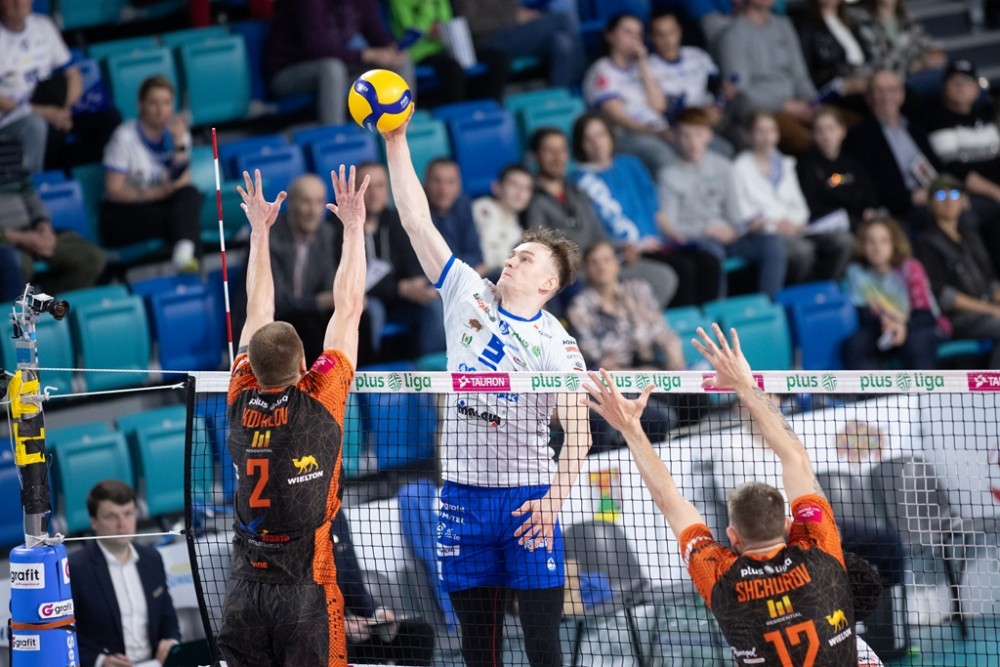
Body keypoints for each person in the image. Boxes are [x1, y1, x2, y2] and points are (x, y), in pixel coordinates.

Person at [382, 108, 592, 667]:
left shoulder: (558, 344)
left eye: (525, 259)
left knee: (544, 649)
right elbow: (416, 221)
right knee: (480, 651)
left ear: (547, 283)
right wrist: (396, 141)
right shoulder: (466, 292)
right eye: (514, 252)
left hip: (528, 499)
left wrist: (554, 501)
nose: (510, 259)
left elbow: (579, 434)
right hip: (462, 498)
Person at [582, 324, 859, 664]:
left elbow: (670, 501)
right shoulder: (819, 550)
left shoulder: (721, 577)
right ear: (788, 524)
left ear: (733, 537)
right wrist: (745, 383)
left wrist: (630, 429)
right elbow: (795, 457)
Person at [217, 165, 367, 666]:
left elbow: (257, 311)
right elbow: (348, 307)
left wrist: (259, 232)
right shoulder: (319, 397)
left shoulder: (239, 391)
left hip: (244, 592)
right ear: (305, 365)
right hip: (305, 591)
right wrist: (354, 227)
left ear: (250, 364)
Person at [571, 112, 721, 306]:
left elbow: (656, 211)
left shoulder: (632, 164)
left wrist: (676, 237)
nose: (597, 143)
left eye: (600, 135)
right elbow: (594, 229)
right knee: (683, 269)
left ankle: (708, 319)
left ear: (610, 136)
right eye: (589, 139)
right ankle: (685, 320)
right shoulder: (580, 181)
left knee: (709, 262)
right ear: (581, 145)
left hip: (656, 243)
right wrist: (623, 247)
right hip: (628, 251)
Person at [524, 126, 679, 311]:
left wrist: (621, 249)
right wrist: (575, 261)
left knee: (663, 277)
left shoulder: (577, 191)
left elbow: (599, 235)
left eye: (562, 150)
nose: (558, 157)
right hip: (575, 274)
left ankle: (628, 320)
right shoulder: (531, 199)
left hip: (602, 263)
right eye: (550, 151)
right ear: (535, 156)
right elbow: (540, 248)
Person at [566, 240, 694, 452]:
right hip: (616, 384)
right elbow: (599, 362)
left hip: (653, 368)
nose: (602, 266)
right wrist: (639, 372)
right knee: (661, 416)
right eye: (594, 262)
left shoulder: (639, 290)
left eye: (606, 260)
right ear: (586, 269)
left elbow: (661, 329)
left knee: (695, 396)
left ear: (617, 263)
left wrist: (674, 353)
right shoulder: (579, 308)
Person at [657, 108, 786, 297]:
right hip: (698, 239)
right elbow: (670, 226)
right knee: (712, 254)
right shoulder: (668, 175)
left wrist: (748, 225)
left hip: (729, 235)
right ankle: (719, 310)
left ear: (708, 135)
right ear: (676, 137)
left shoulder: (724, 166)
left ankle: (770, 304)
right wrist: (706, 230)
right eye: (685, 135)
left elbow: (734, 214)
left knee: (771, 243)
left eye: (698, 134)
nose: (692, 142)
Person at [68, 480, 181, 667]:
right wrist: (99, 661)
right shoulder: (75, 568)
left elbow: (167, 617)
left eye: (128, 514)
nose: (122, 524)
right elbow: (63, 635)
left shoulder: (152, 559)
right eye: (111, 516)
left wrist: (171, 641)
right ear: (94, 522)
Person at [732, 110, 853, 284]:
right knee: (803, 251)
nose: (767, 137)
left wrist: (794, 222)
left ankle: (826, 288)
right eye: (760, 131)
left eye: (771, 130)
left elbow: (800, 205)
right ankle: (802, 293)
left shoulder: (786, 163)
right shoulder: (739, 167)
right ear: (748, 135)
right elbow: (743, 211)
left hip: (796, 227)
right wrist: (775, 224)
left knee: (843, 241)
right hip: (767, 233)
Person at [270, 173, 377, 366]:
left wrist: (346, 297)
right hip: (278, 317)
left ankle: (360, 377)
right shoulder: (271, 237)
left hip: (310, 311)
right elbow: (277, 301)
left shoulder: (326, 234)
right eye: (306, 202)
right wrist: (320, 301)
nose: (313, 211)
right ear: (291, 203)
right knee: (306, 327)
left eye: (319, 202)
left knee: (359, 316)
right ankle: (317, 381)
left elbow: (329, 282)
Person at [100, 75, 203, 272]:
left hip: (161, 205)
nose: (161, 110)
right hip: (125, 213)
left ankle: (184, 256)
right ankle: (191, 268)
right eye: (154, 103)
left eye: (166, 103)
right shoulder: (124, 137)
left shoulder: (178, 133)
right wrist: (155, 193)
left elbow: (184, 179)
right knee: (185, 219)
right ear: (141, 104)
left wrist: (179, 144)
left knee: (190, 194)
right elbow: (113, 191)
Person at [264, 0, 416, 127]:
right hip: (288, 73)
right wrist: (368, 54)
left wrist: (391, 50)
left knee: (400, 60)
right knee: (332, 68)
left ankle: (403, 127)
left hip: (339, 67)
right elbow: (317, 49)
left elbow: (375, 33)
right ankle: (336, 136)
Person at [355, 161, 444, 360]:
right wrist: (398, 287)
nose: (374, 193)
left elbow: (413, 266)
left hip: (399, 301)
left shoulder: (397, 220)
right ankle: (371, 373)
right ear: (354, 191)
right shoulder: (341, 226)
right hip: (368, 300)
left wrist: (417, 286)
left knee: (432, 304)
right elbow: (353, 280)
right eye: (367, 187)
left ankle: (434, 369)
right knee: (371, 310)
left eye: (380, 185)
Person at [915, 174, 1000, 369]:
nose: (948, 201)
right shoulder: (926, 244)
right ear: (930, 203)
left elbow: (990, 280)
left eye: (954, 194)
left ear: (962, 200)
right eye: (940, 195)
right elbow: (945, 296)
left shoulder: (970, 235)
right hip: (958, 319)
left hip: (988, 310)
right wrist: (990, 309)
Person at [332, 512, 436, 666]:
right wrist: (336, 625)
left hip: (352, 630)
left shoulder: (336, 515)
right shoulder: (297, 520)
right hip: (317, 633)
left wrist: (379, 613)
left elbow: (355, 587)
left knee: (419, 634)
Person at [843, 69, 941, 232]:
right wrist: (910, 197)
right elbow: (868, 184)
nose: (886, 96)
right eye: (879, 91)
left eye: (892, 89)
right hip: (900, 207)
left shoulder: (915, 128)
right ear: (869, 97)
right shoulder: (860, 135)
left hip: (935, 196)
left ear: (902, 94)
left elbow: (936, 166)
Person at [582, 13, 679, 176]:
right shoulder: (602, 70)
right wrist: (652, 132)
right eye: (627, 32)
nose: (634, 38)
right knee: (664, 158)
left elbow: (659, 106)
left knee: (709, 146)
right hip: (625, 135)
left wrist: (643, 63)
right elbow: (617, 117)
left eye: (638, 34)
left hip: (658, 129)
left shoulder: (643, 67)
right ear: (610, 36)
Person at [718, 0, 818, 155]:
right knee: (810, 142)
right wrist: (786, 106)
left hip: (799, 103)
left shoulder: (784, 25)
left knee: (844, 125)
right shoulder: (733, 34)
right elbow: (740, 90)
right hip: (764, 110)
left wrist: (813, 102)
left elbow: (800, 75)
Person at [0, 147, 105, 295]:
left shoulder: (8, 147)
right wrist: (21, 238)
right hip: (5, 239)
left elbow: (30, 194)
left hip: (32, 230)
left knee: (91, 258)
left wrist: (43, 226)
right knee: (16, 267)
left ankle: (43, 298)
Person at [926, 59, 1000, 267]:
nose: (961, 87)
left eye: (967, 82)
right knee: (974, 217)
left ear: (977, 89)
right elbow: (957, 170)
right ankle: (986, 278)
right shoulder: (938, 120)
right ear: (944, 87)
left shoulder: (985, 117)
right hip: (970, 194)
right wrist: (996, 192)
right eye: (955, 81)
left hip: (995, 190)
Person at [842, 216, 942, 370]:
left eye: (884, 241)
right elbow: (862, 312)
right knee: (855, 344)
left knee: (915, 342)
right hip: (882, 328)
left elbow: (925, 315)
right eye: (871, 241)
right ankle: (872, 386)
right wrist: (885, 323)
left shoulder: (911, 268)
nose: (877, 247)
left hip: (920, 325)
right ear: (862, 244)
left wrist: (903, 326)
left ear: (894, 243)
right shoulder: (856, 273)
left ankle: (920, 386)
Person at [647, 11, 740, 152]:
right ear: (651, 37)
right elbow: (665, 110)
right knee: (725, 149)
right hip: (681, 124)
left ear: (679, 31)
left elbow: (715, 84)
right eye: (661, 34)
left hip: (713, 113)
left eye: (671, 32)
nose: (667, 39)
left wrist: (724, 90)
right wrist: (700, 114)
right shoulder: (648, 67)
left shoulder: (697, 55)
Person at [0, 0, 75, 172]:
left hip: (50, 105)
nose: (19, 3)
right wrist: (41, 112)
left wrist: (64, 110)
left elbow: (73, 74)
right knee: (36, 125)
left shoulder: (43, 25)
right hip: (9, 117)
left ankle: (70, 179)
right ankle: (32, 182)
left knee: (107, 119)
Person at [387, 0, 508, 105]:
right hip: (420, 52)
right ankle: (455, 114)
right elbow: (411, 29)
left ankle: (491, 108)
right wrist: (428, 12)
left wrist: (441, 28)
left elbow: (446, 17)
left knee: (498, 59)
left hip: (447, 46)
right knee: (453, 70)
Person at [452, 0, 584, 89]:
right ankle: (582, 80)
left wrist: (527, 15)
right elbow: (471, 24)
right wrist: (514, 18)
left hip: (515, 32)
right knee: (564, 19)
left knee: (561, 42)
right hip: (489, 41)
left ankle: (559, 95)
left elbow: (513, 9)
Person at [796, 105, 881, 231]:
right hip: (829, 226)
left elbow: (870, 196)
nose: (826, 136)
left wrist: (869, 209)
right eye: (819, 130)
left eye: (830, 129)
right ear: (813, 134)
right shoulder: (806, 165)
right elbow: (811, 204)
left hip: (859, 221)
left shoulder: (853, 163)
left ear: (842, 131)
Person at [795, 0, 874, 117]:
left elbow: (868, 56)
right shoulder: (806, 25)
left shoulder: (850, 21)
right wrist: (844, 86)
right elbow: (808, 70)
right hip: (836, 91)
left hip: (865, 81)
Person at [852, 0, 946, 84]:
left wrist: (934, 55)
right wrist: (916, 65)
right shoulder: (864, 21)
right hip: (888, 82)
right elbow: (878, 61)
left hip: (917, 75)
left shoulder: (906, 19)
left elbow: (926, 44)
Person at [425, 158, 486, 275]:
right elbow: (433, 264)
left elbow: (476, 256)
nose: (444, 189)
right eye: (437, 181)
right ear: (426, 182)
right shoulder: (416, 210)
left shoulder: (464, 205)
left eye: (450, 182)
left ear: (459, 185)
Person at [472, 164, 529, 278]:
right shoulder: (481, 208)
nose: (520, 193)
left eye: (526, 188)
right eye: (514, 185)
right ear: (497, 187)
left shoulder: (519, 231)